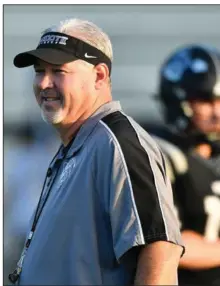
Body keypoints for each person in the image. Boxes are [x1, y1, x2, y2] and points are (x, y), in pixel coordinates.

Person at [10, 18, 183, 285]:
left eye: (58, 71)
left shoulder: (119, 142)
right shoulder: (78, 144)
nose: (44, 83)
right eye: (39, 71)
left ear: (99, 76)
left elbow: (160, 249)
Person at [144, 44, 220, 285]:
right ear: (179, 100)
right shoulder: (158, 153)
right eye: (206, 101)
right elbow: (165, 243)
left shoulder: (211, 156)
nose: (217, 113)